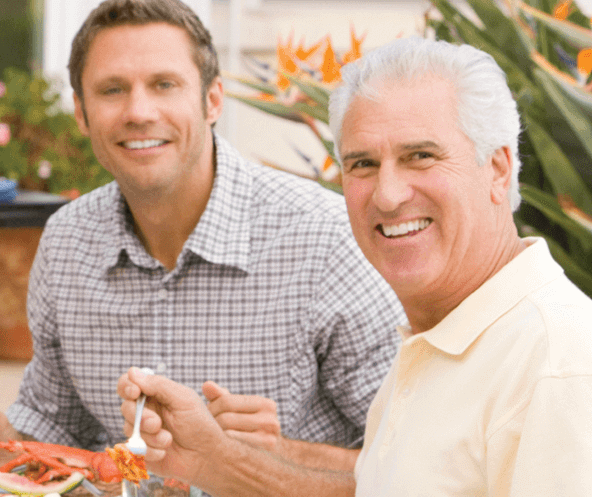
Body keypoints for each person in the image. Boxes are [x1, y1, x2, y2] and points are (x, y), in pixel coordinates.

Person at [0, 0, 404, 477]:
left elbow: (414, 459)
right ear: (81, 113)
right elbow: (59, 429)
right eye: (112, 89)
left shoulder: (324, 238)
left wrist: (269, 454)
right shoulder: (65, 243)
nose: (139, 111)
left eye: (164, 85)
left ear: (212, 100)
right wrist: (4, 445)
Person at [118, 37, 592, 496]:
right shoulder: (438, 337)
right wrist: (212, 461)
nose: (387, 195)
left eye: (420, 156)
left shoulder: (558, 366)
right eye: (363, 164)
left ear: (498, 168)